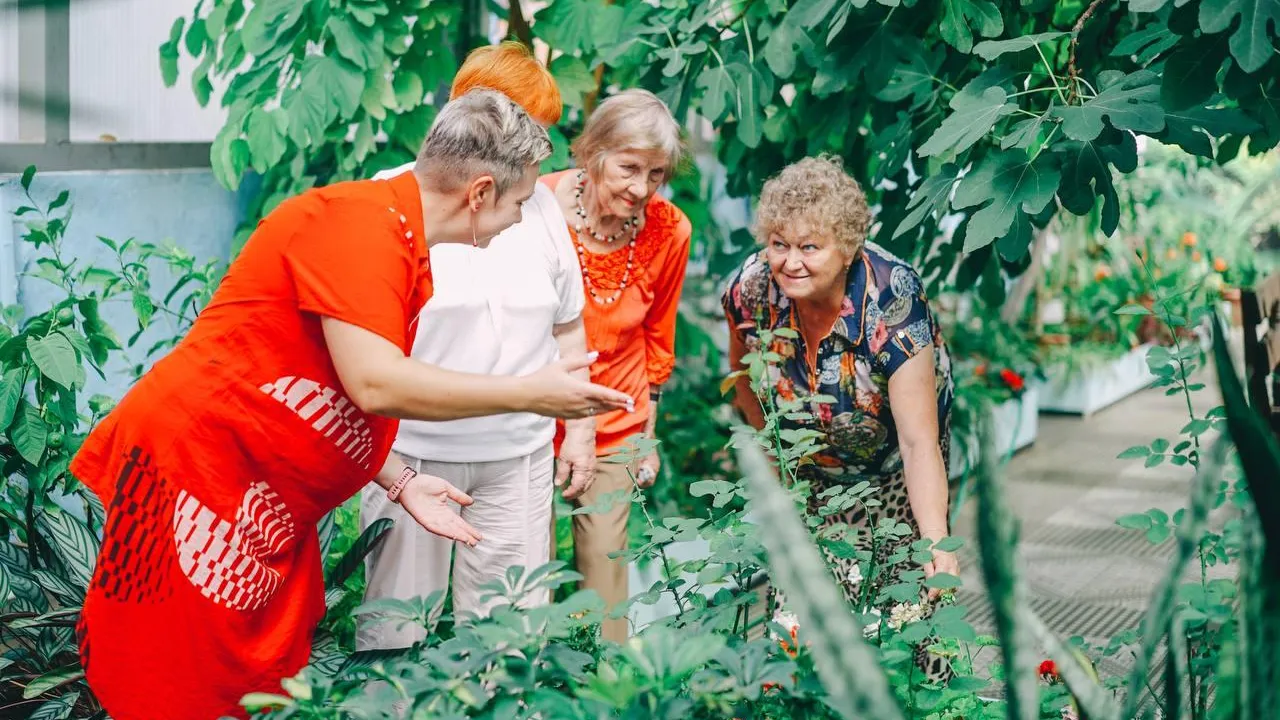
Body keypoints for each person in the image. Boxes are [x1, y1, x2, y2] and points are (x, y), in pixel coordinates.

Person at [69, 90, 633, 720]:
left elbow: (330, 390)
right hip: (197, 472)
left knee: (255, 681)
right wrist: (532, 393)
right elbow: (375, 384)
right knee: (177, 681)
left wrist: (400, 480)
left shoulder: (397, 231)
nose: (521, 220)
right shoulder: (359, 225)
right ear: (479, 194)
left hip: (261, 489)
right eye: (521, 203)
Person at [358, 43, 597, 649]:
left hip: (518, 452)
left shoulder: (539, 206)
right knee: (396, 628)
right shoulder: (391, 200)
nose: (536, 152)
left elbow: (568, 322)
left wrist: (583, 432)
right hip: (411, 454)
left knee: (508, 635)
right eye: (525, 130)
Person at [721, 155, 956, 674]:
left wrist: (936, 541)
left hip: (897, 461)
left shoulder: (893, 298)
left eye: (810, 246)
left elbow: (920, 442)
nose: (790, 262)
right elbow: (742, 378)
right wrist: (777, 464)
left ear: (847, 248)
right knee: (796, 622)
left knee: (906, 614)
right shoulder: (751, 289)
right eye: (779, 244)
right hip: (811, 465)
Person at [543, 89, 691, 643]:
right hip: (532, 414)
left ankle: (600, 696)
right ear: (592, 153)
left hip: (616, 421)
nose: (641, 188)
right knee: (522, 579)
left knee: (603, 593)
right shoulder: (535, 206)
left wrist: (648, 435)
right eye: (629, 168)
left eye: (655, 174)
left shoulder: (669, 230)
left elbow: (658, 337)